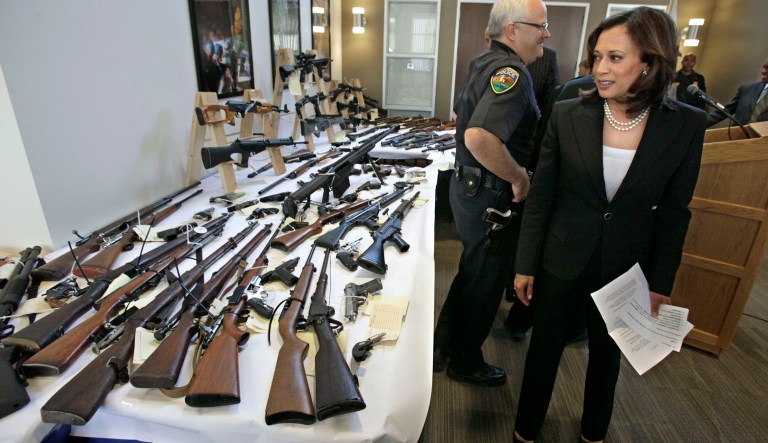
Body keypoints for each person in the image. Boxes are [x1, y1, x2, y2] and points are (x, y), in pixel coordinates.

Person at [511, 7, 706, 443]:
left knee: (607, 359)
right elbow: (541, 198)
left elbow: (677, 211)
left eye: (615, 58)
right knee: (543, 352)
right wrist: (525, 264)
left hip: (626, 264)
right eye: (596, 56)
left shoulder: (686, 125)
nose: (599, 68)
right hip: (561, 256)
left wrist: (660, 281)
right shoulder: (566, 113)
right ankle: (524, 432)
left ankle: (593, 435)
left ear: (650, 62)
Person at [433, 0, 549, 387]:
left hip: (469, 188)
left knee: (472, 271)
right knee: (484, 282)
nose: (546, 34)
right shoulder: (511, 73)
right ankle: (465, 360)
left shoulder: (483, 61)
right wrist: (518, 178)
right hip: (491, 196)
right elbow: (479, 136)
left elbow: (461, 115)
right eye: (541, 26)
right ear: (513, 30)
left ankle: (443, 344)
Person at [503, 45, 558, 340]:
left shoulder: (490, 61)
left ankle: (514, 283)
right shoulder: (545, 61)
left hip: (522, 160)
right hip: (526, 160)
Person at [706, 57, 768, 126]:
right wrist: (698, 123)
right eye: (763, 67)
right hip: (736, 135)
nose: (763, 71)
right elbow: (725, 112)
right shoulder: (747, 89)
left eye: (767, 68)